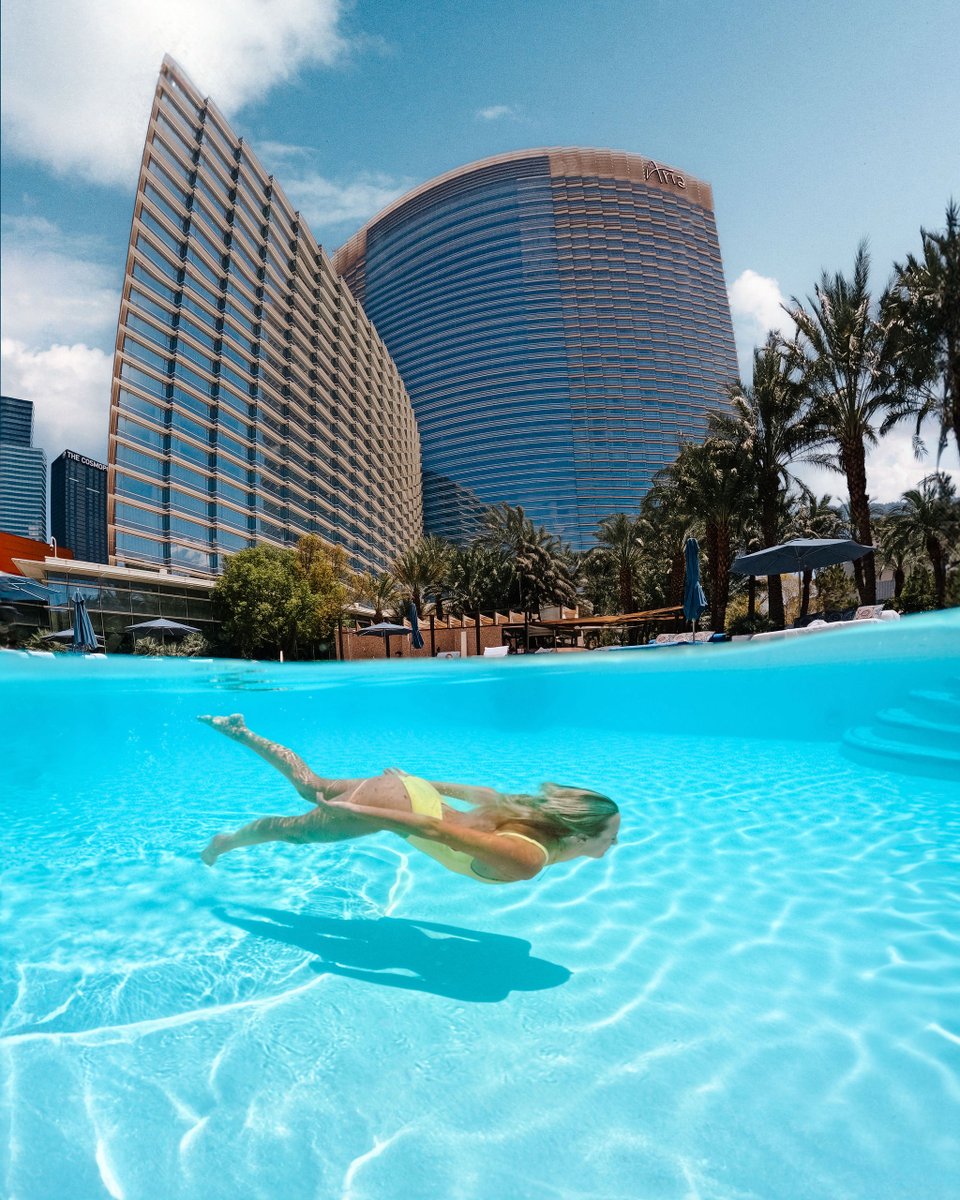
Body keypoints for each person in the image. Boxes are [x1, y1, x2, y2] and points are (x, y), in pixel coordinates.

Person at [197, 714, 619, 884]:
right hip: (402, 806)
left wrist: (422, 783)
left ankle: (242, 732)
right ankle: (225, 842)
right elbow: (435, 830)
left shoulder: (538, 823)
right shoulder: (528, 859)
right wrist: (361, 811)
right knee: (295, 834)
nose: (614, 844)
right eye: (610, 837)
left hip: (410, 794)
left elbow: (484, 795)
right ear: (580, 835)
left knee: (313, 786)